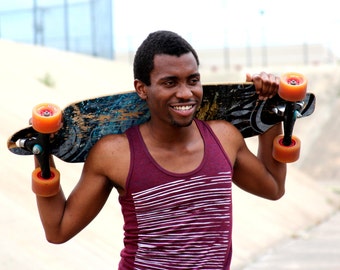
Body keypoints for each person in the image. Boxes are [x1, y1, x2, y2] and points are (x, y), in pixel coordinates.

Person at [33, 30, 286, 269]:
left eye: (193, 80)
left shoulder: (224, 138)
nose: (186, 93)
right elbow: (58, 230)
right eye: (170, 83)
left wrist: (267, 111)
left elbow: (273, 187)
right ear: (142, 89)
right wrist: (41, 151)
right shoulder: (115, 154)